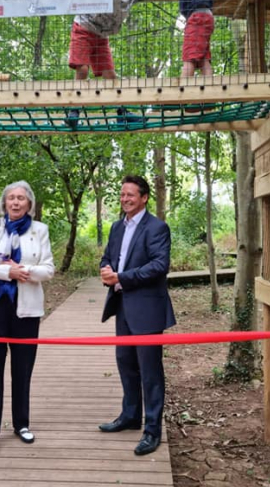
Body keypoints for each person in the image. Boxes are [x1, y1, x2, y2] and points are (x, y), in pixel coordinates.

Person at [0, 181, 55, 458]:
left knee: (22, 370)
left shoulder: (39, 230)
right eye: (11, 198)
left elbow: (48, 270)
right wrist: (7, 273)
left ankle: (21, 424)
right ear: (5, 202)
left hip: (27, 311)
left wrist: (24, 271)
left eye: (21, 198)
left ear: (29, 203)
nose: (16, 203)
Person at [98, 175, 176, 456]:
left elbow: (159, 266)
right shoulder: (117, 227)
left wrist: (122, 276)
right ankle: (130, 416)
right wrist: (106, 269)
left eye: (131, 194)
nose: (125, 199)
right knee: (125, 363)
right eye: (122, 194)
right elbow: (108, 257)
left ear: (144, 198)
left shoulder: (157, 227)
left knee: (150, 372)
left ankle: (152, 430)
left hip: (148, 310)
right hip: (122, 307)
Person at [66, 0, 161, 127]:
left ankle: (122, 113)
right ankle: (74, 110)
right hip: (84, 28)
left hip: (102, 36)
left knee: (111, 75)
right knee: (83, 70)